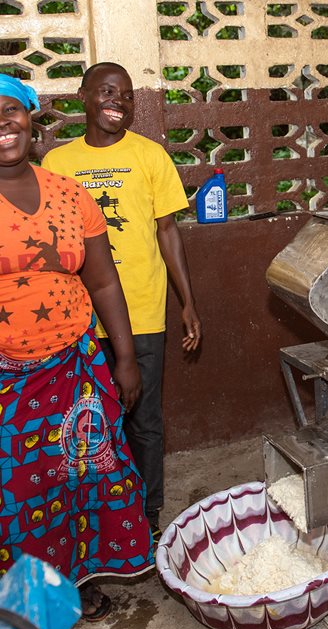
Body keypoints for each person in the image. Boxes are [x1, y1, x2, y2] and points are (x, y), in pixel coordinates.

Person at [0, 74, 154, 621]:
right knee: (18, 495)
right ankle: (27, 601)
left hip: (76, 366)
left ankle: (77, 579)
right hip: (7, 382)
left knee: (81, 476)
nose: (3, 123)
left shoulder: (70, 194)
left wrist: (126, 358)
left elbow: (105, 281)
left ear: (31, 117)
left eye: (12, 110)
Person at [43, 63, 202, 542]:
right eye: (108, 92)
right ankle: (100, 513)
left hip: (143, 310)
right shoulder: (57, 164)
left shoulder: (150, 156)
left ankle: (147, 515)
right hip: (78, 319)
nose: (119, 101)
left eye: (128, 95)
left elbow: (168, 231)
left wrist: (187, 303)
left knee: (144, 419)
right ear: (83, 96)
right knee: (87, 423)